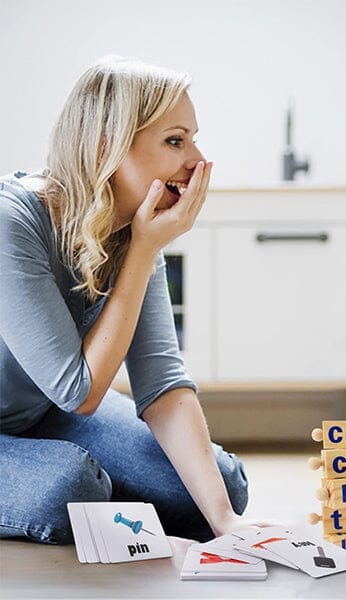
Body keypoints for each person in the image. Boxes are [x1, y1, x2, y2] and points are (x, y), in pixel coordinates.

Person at [0, 56, 272, 545]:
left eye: (192, 138)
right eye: (175, 140)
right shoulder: (11, 224)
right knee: (68, 486)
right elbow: (78, 392)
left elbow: (162, 382)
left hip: (37, 414)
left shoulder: (135, 229)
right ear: (108, 145)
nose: (197, 159)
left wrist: (225, 521)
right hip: (53, 407)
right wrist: (145, 249)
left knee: (221, 487)